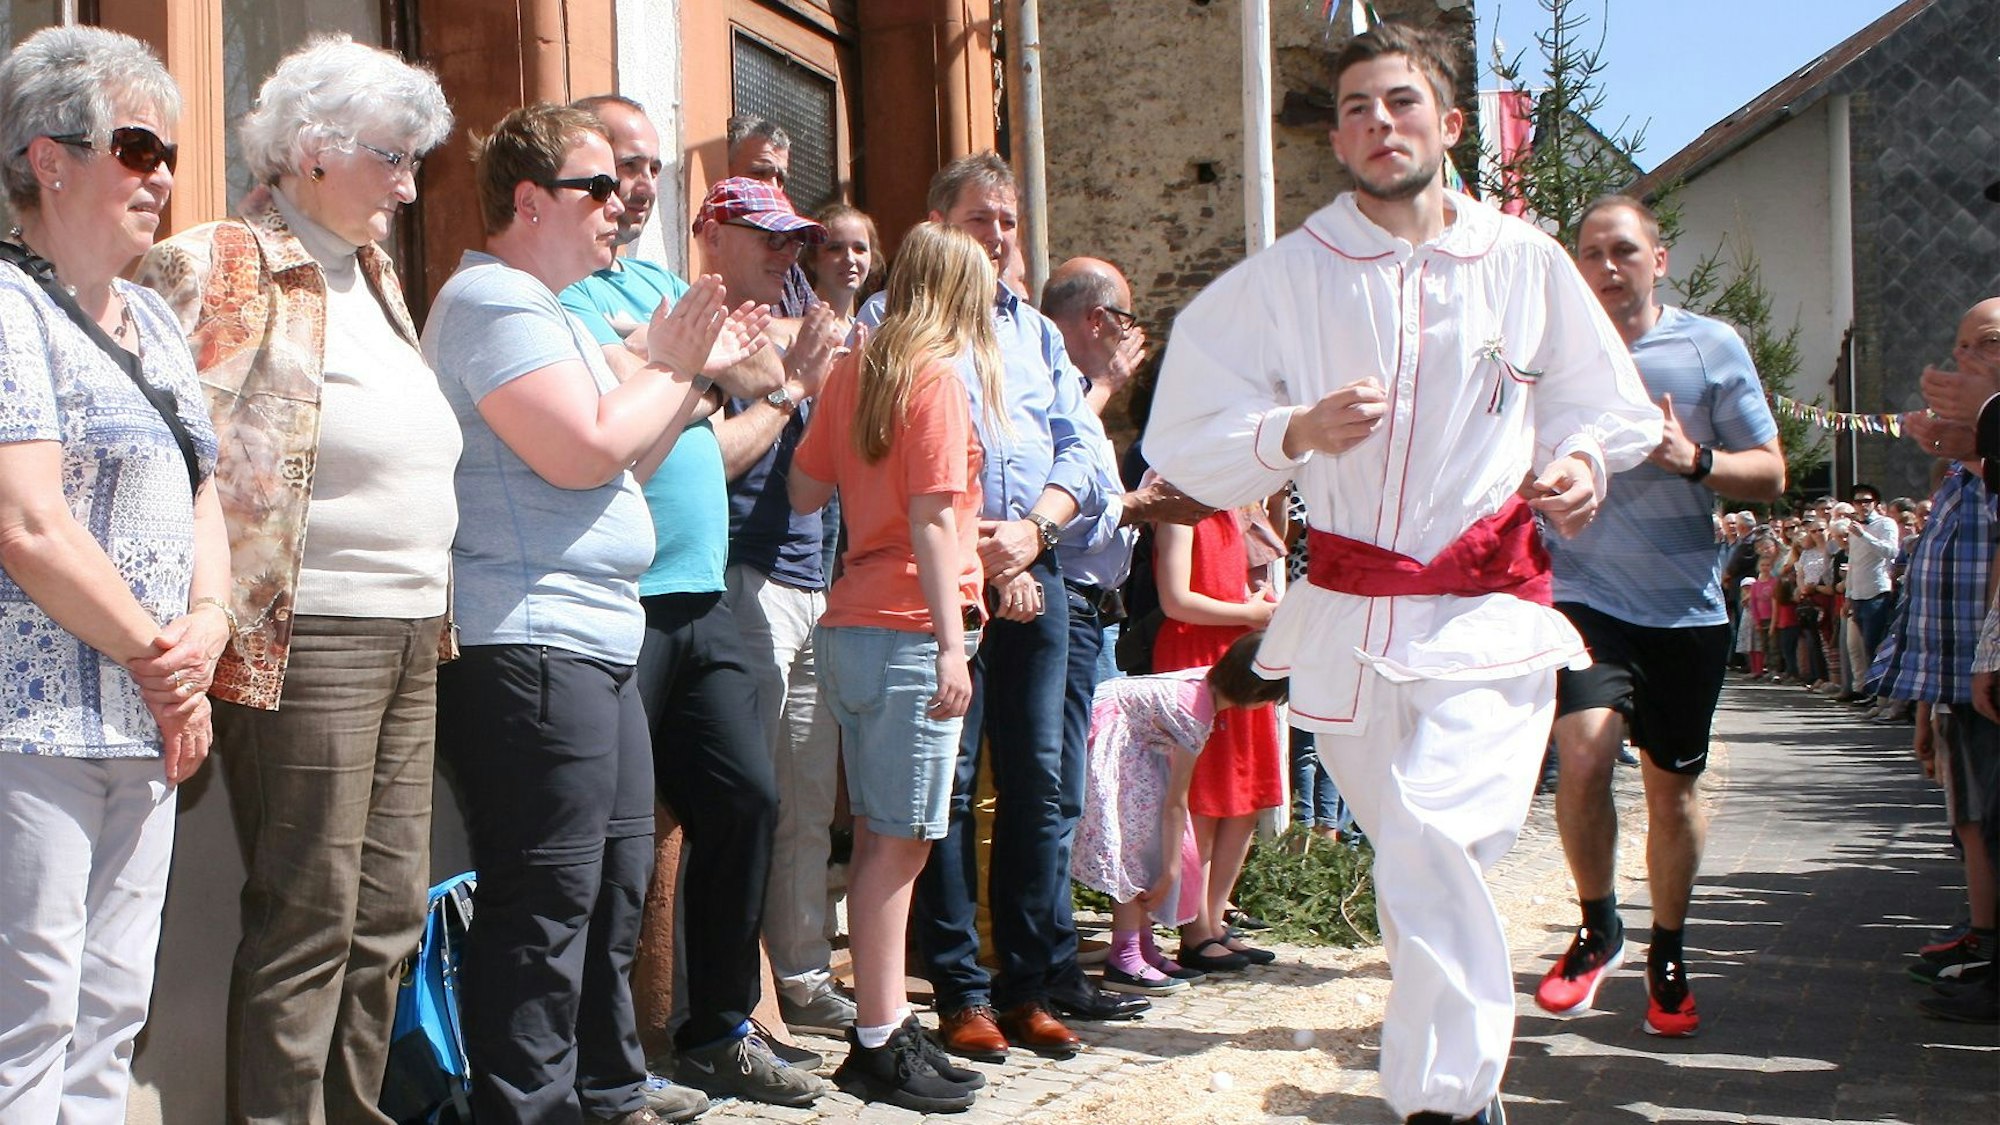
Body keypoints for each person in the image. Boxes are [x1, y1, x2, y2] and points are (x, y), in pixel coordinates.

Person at [1142, 22, 1661, 1125]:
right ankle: (1458, 1097)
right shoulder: (1287, 277)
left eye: (1402, 102)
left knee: (1430, 832)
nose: (1381, 124)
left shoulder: (1523, 262)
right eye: (1357, 109)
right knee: (1416, 859)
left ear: (1450, 124)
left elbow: (1600, 404)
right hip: (1348, 625)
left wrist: (1577, 462)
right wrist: (1292, 430)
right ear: (1336, 140)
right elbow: (1180, 433)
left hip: (1489, 615)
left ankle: (1446, 1101)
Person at [133, 38, 459, 1123]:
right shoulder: (217, 260)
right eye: (392, 158)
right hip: (307, 630)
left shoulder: (373, 273)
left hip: (411, 625)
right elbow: (149, 443)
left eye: (414, 161)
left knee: (388, 916)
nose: (408, 187)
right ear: (313, 150)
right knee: (311, 914)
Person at [423, 102, 755, 1125]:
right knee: (543, 903)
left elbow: (628, 457)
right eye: (597, 186)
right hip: (528, 639)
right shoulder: (494, 302)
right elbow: (582, 450)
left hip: (592, 638)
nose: (620, 204)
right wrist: (678, 365)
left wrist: (681, 374)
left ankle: (605, 1091)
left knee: (611, 887)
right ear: (530, 201)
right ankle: (528, 1109)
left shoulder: (556, 311)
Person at [556, 115, 828, 1107]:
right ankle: (602, 1067)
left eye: (645, 169)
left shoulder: (661, 286)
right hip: (617, 600)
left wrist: (683, 362)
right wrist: (696, 364)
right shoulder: (560, 293)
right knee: (612, 843)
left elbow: (756, 373)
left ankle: (717, 1030)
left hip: (701, 593)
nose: (633, 186)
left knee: (745, 800)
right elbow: (633, 392)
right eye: (615, 169)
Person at [0, 26, 224, 1123]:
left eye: (168, 153)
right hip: (30, 722)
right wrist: (166, 663)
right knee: (27, 1016)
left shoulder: (155, 321)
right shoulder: (7, 307)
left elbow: (201, 492)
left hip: (145, 722)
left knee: (111, 1013)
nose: (163, 176)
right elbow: (27, 524)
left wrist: (210, 623)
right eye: (138, 149)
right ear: (49, 158)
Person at [861, 153, 1113, 1061]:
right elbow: (885, 461)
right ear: (938, 222)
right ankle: (960, 990)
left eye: (1008, 221)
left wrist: (1034, 533)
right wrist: (984, 549)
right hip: (943, 583)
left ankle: (1030, 986)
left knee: (1040, 786)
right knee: (949, 789)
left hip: (1035, 573)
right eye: (981, 218)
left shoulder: (1037, 334)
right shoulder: (890, 324)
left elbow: (1083, 453)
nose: (999, 236)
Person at [1533, 194, 1785, 1039]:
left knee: (1671, 793)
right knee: (1583, 752)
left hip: (1683, 609)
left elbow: (1771, 472)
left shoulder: (1710, 346)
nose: (1608, 268)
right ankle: (1597, 923)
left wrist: (1695, 459)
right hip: (1583, 595)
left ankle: (1667, 953)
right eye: (1592, 253)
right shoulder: (1554, 352)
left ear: (1659, 260)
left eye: (1624, 251)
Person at [790, 221, 996, 1111]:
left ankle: (887, 1024)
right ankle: (878, 1038)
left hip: (852, 624)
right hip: (912, 629)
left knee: (882, 836)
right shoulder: (935, 376)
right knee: (899, 844)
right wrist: (953, 643)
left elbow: (805, 489)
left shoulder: (855, 369)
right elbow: (933, 521)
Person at [1038, 255, 1213, 1022]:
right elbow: (1059, 501)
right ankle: (1052, 964)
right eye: (1128, 320)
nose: (1132, 340)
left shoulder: (1086, 398)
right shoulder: (1064, 391)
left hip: (1092, 615)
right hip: (1066, 607)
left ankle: (1086, 950)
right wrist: (1140, 507)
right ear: (1100, 321)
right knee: (1060, 794)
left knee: (1089, 792)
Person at [1073, 633, 1291, 996]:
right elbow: (1177, 801)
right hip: (1113, 736)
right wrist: (1170, 871)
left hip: (1133, 738)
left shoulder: (1205, 682)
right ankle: (1125, 957)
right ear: (1256, 693)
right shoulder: (1194, 715)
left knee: (1144, 835)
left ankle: (1143, 947)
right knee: (1132, 842)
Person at [1152, 503, 1284, 972]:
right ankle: (1194, 929)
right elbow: (1176, 600)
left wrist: (1256, 604)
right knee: (1205, 801)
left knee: (1245, 798)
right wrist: (1249, 611)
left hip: (1240, 651)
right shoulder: (1181, 506)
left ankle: (1214, 919)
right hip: (1199, 654)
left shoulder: (1238, 505)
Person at [806, 202, 880, 329]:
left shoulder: (866, 331)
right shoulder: (799, 322)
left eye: (859, 249)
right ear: (812, 258)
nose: (850, 259)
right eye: (835, 248)